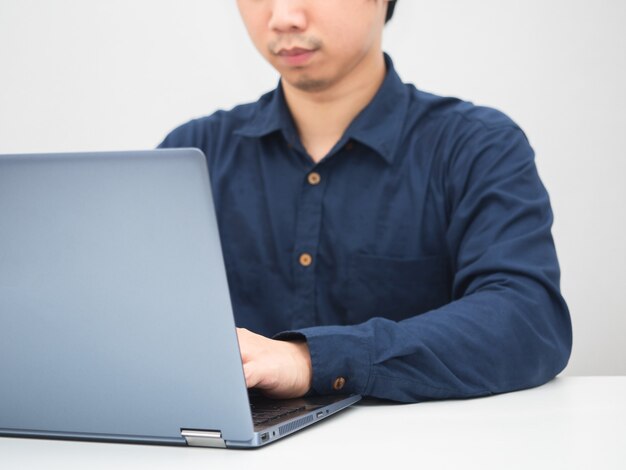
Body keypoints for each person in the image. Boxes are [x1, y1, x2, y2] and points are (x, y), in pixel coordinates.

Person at [158, 0, 572, 403]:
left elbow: (528, 319)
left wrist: (311, 360)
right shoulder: (191, 155)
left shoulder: (476, 147)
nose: (283, 17)